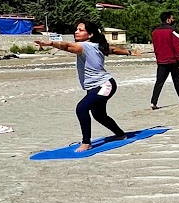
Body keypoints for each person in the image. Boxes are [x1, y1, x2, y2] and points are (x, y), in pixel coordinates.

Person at [35, 20, 128, 152]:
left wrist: (51, 43)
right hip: (97, 86)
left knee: (81, 108)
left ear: (90, 34)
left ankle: (86, 142)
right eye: (76, 29)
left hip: (104, 85)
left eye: (80, 30)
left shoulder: (83, 46)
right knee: (99, 115)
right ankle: (120, 134)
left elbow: (67, 46)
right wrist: (128, 52)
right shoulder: (97, 45)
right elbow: (112, 49)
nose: (76, 32)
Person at [150, 11, 179, 109]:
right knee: (177, 81)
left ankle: (153, 102)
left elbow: (155, 46)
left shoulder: (155, 31)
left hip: (161, 60)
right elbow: (176, 46)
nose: (173, 20)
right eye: (172, 18)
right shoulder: (173, 30)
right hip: (173, 60)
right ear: (168, 19)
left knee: (159, 82)